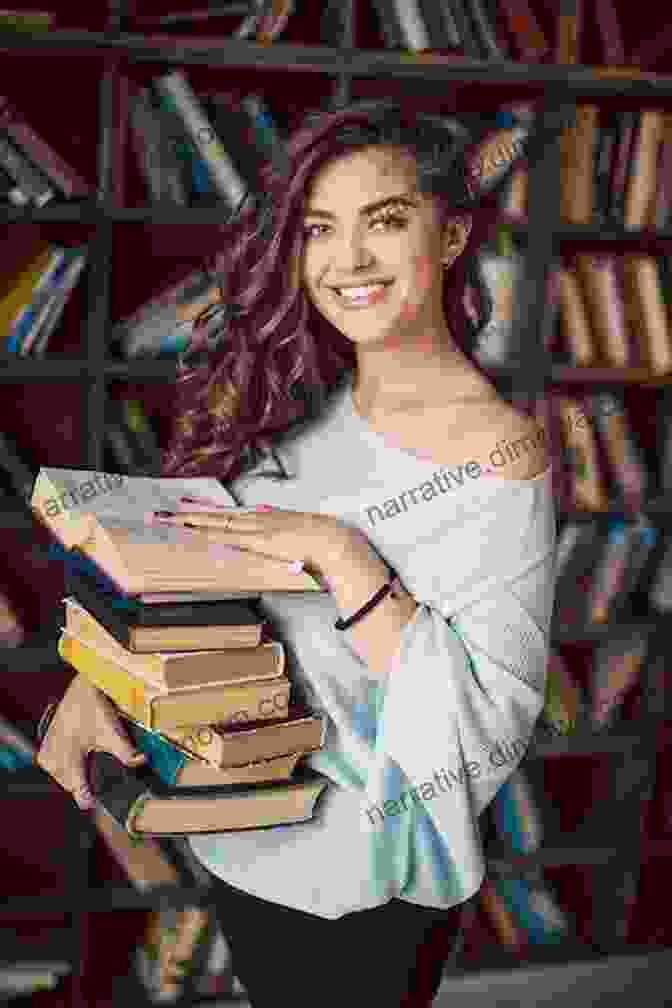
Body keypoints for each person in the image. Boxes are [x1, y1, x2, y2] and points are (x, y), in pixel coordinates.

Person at [36, 99, 556, 1007]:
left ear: (451, 237)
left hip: (367, 875)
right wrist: (97, 683)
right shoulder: (301, 400)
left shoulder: (499, 455)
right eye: (321, 229)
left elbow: (483, 732)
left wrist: (342, 557)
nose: (348, 261)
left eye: (386, 222)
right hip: (248, 828)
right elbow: (200, 581)